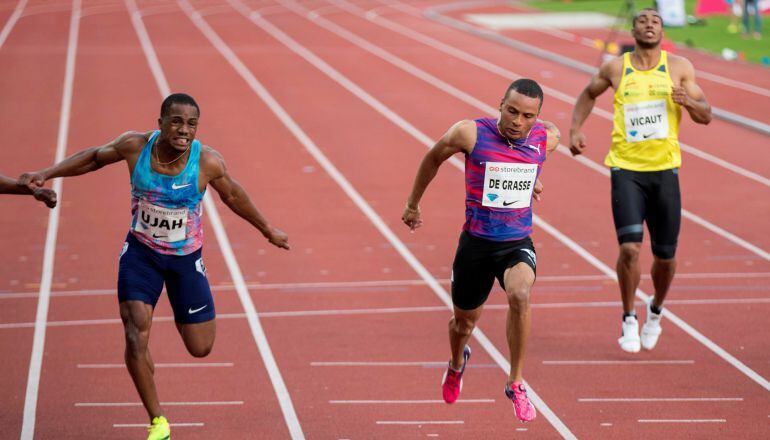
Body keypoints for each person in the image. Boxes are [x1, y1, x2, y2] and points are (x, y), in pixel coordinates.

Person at [19, 93, 290, 440]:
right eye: (176, 121)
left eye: (192, 124)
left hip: (185, 261)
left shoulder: (207, 162)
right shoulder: (135, 146)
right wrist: (46, 173)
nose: (184, 130)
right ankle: (158, 421)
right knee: (135, 331)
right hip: (141, 254)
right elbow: (92, 159)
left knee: (200, 347)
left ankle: (174, 325)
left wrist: (268, 229)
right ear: (160, 122)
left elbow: (233, 196)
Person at [402, 79, 559, 423]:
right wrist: (413, 204)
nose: (518, 121)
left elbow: (545, 146)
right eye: (512, 111)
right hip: (475, 244)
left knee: (520, 293)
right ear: (500, 103)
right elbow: (433, 157)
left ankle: (515, 382)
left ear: (537, 117)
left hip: (515, 243)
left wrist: (531, 180)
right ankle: (457, 362)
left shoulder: (545, 138)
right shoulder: (469, 133)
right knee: (463, 324)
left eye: (527, 116)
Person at [569, 8, 711, 353]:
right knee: (630, 249)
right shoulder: (617, 67)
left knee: (665, 257)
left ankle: (656, 311)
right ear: (633, 29)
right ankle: (629, 316)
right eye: (643, 20)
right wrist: (575, 129)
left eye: (655, 21)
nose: (649, 24)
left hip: (665, 172)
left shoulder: (679, 68)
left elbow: (706, 113)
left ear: (662, 29)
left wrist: (688, 102)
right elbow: (589, 93)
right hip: (625, 170)